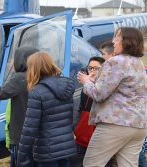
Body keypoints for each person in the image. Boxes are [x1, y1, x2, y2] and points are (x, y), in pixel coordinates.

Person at [77, 27, 147, 167]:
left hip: (116, 124)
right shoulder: (138, 63)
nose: (113, 41)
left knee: (91, 164)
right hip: (139, 125)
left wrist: (86, 82)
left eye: (117, 37)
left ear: (126, 41)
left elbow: (99, 94)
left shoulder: (115, 61)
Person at [0, 46, 39, 167]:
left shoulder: (20, 78)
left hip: (21, 134)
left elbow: (0, 93)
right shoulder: (38, 75)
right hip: (37, 133)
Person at [17, 51, 76, 167]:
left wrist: (22, 156)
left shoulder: (37, 92)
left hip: (47, 151)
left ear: (33, 68)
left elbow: (30, 129)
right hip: (66, 147)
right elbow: (69, 117)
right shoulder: (66, 86)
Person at [71, 57, 105, 167]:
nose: (92, 71)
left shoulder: (106, 88)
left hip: (98, 139)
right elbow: (80, 110)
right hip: (81, 137)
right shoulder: (85, 88)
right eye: (90, 68)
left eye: (96, 68)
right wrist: (74, 129)